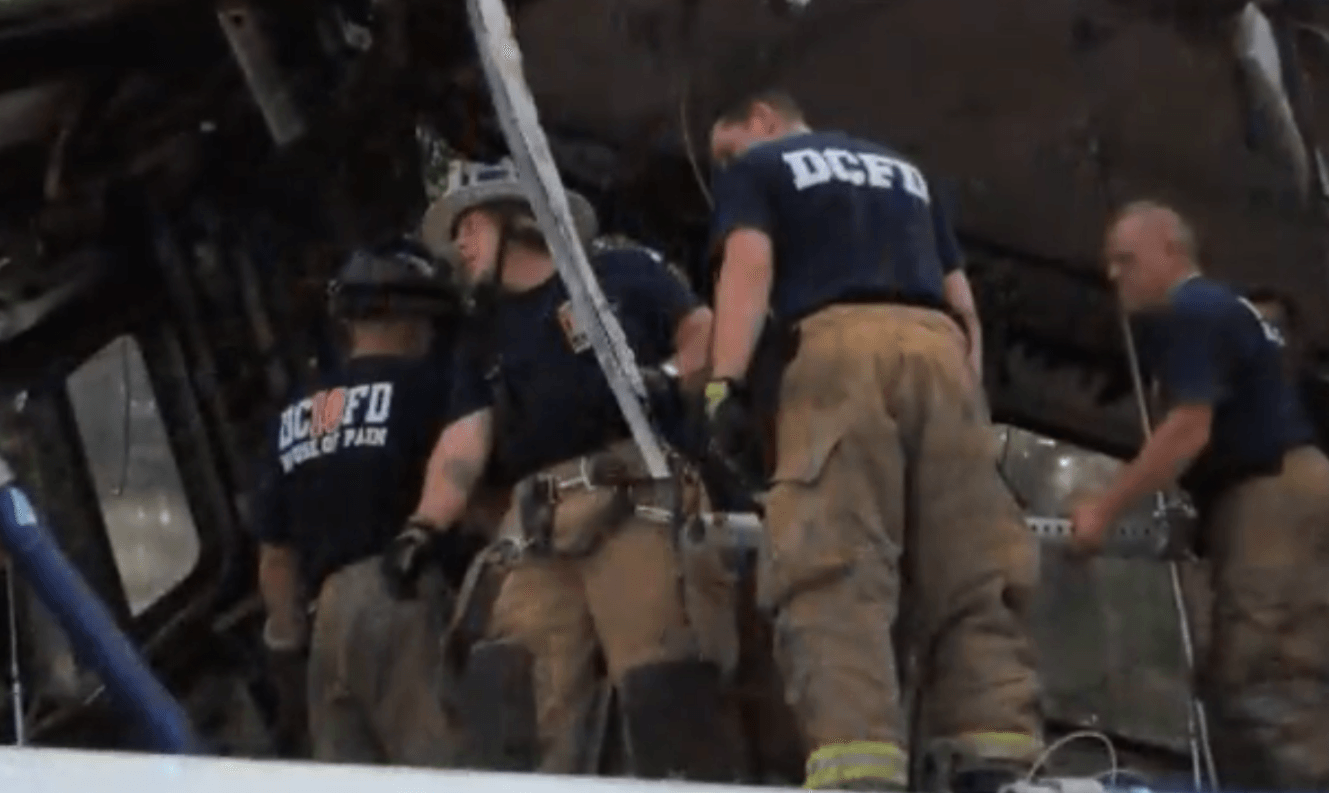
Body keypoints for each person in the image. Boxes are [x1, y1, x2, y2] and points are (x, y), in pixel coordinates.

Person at [703, 88, 1043, 793]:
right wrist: (969, 407)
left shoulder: (760, 169)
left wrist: (724, 386)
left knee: (834, 568)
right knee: (969, 568)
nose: (725, 167)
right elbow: (964, 305)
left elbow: (749, 266)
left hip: (838, 351)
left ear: (761, 119)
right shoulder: (908, 174)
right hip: (940, 354)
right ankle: (995, 761)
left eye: (726, 149)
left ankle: (857, 771)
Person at [382, 159, 741, 779]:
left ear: (519, 220)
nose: (458, 245)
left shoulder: (618, 273)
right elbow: (464, 443)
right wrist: (423, 526)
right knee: (513, 694)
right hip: (538, 523)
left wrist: (668, 378)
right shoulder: (482, 336)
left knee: (662, 683)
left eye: (470, 226)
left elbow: (706, 332)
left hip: (634, 497)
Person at [1072, 200, 1329, 792]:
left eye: (1126, 259)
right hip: (1279, 495)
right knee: (1246, 677)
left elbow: (1188, 429)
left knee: (1268, 680)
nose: (1114, 275)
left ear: (1172, 251)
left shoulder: (1192, 310)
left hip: (1275, 499)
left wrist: (1104, 508)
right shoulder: (1222, 313)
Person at [251, 239, 465, 764]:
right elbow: (474, 498)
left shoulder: (296, 413)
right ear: (413, 319)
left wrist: (289, 655)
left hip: (328, 622)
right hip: (405, 599)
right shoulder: (429, 389)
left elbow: (276, 558)